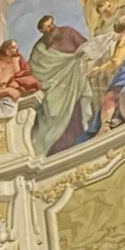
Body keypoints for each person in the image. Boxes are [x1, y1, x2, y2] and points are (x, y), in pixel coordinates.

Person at [28, 14, 95, 155]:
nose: (51, 28)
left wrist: (80, 58)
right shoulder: (39, 48)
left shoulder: (68, 32)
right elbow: (34, 70)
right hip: (52, 87)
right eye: (47, 28)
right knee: (51, 109)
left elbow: (86, 46)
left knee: (75, 111)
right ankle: (56, 149)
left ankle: (78, 141)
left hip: (73, 80)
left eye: (51, 24)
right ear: (42, 31)